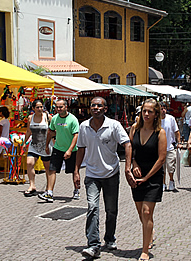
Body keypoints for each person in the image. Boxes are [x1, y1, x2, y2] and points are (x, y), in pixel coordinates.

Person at [73, 97, 132, 259]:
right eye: (93, 105)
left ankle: (110, 238)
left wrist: (127, 167)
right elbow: (81, 149)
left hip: (111, 174)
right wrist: (76, 171)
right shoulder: (84, 126)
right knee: (92, 207)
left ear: (105, 109)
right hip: (91, 175)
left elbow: (127, 143)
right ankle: (93, 244)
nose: (96, 108)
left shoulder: (113, 125)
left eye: (99, 105)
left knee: (111, 210)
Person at [129, 98, 167, 261]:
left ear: (156, 114)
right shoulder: (134, 129)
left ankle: (144, 251)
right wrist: (134, 164)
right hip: (137, 176)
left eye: (150, 111)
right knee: (141, 213)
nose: (146, 114)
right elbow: (130, 151)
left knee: (146, 211)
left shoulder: (160, 133)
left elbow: (161, 158)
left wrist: (146, 177)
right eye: (144, 110)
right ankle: (149, 233)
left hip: (153, 176)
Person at [38, 99, 79, 203]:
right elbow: (50, 132)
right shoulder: (55, 118)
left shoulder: (73, 119)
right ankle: (50, 193)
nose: (58, 109)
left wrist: (69, 150)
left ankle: (76, 190)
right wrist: (47, 145)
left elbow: (76, 136)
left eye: (61, 107)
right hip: (58, 148)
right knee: (52, 169)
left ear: (66, 107)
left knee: (73, 171)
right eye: (57, 107)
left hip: (71, 149)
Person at [23, 100, 52, 197]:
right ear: (33, 108)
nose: (40, 109)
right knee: (29, 163)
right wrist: (24, 143)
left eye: (41, 107)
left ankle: (49, 188)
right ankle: (32, 185)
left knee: (47, 168)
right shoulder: (30, 118)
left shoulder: (48, 117)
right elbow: (28, 131)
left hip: (45, 146)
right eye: (38, 107)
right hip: (34, 145)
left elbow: (53, 131)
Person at [159, 102, 182, 191]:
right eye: (161, 108)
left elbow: (177, 131)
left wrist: (178, 142)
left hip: (170, 147)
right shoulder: (156, 120)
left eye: (164, 108)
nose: (163, 110)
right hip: (160, 149)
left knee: (170, 166)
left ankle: (171, 181)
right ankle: (163, 183)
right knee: (162, 167)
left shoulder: (171, 119)